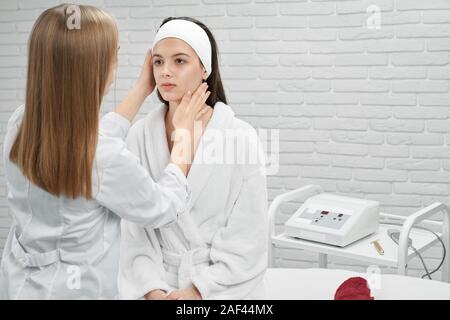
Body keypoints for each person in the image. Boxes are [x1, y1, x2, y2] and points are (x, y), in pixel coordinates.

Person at [0, 5, 210, 299]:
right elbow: (163, 206)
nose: (165, 70)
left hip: (17, 284)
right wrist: (185, 136)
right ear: (94, 69)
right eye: (115, 54)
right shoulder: (101, 155)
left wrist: (140, 89)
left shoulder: (22, 121)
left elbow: (86, 141)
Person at [119, 17, 268, 300]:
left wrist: (197, 291)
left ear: (204, 69)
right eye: (159, 62)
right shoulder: (139, 136)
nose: (166, 72)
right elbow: (133, 232)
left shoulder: (240, 137)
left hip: (222, 288)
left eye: (179, 61)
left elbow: (249, 236)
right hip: (155, 284)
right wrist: (152, 290)